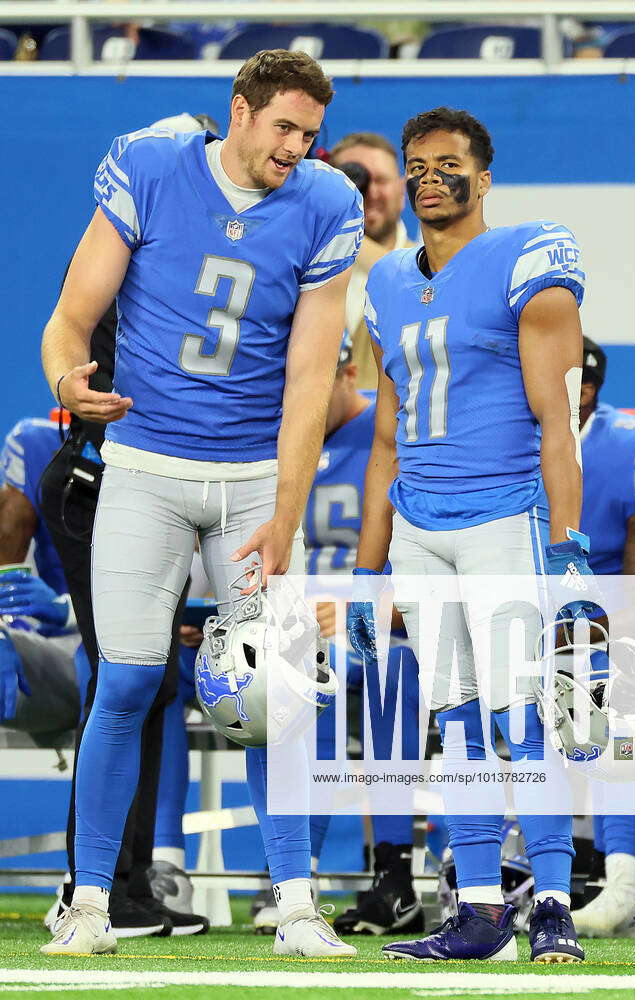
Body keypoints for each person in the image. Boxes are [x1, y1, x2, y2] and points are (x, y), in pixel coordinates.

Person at [39, 49, 363, 957]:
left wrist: (288, 511)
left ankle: (295, 903)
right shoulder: (150, 165)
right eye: (284, 128)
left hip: (254, 476)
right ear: (239, 110)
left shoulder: (327, 203)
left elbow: (309, 378)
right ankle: (92, 901)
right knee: (131, 677)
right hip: (144, 463)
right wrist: (68, 378)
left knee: (267, 692)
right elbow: (69, 316)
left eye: (310, 133)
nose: (297, 149)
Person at [348, 106, 591, 964]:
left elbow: (555, 419)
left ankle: (554, 901)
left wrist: (565, 543)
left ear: (482, 178)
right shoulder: (380, 281)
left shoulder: (527, 252)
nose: (428, 176)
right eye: (416, 163)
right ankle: (480, 911)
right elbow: (384, 434)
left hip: (503, 515)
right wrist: (365, 568)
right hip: (418, 522)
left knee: (520, 715)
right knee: (451, 722)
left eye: (448, 163)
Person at [39, 113, 220, 942]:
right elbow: (71, 334)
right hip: (101, 482)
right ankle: (95, 884)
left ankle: (122, 878)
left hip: (146, 487)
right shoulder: (137, 256)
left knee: (151, 683)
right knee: (126, 677)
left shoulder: (180, 251)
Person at [252, 336, 424, 936]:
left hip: (378, 629)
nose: (294, 399)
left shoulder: (394, 434)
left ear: (349, 372)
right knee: (297, 673)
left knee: (387, 673)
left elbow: (423, 552)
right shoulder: (274, 436)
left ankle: (394, 874)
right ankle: (295, 875)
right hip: (289, 634)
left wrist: (360, 609)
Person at [571, 337, 635, 938]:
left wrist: (588, 634)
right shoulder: (501, 442)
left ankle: (625, 885)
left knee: (629, 678)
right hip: (548, 623)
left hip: (614, 630)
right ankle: (485, 875)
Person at [0, 415, 80, 740]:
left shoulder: (178, 450)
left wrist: (69, 612)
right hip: (60, 654)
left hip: (147, 654)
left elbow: (188, 601)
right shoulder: (41, 445)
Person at [329, 133, 414, 390]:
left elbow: (414, 281)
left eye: (380, 179)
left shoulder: (431, 267)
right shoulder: (300, 268)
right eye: (354, 178)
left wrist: (337, 231)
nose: (369, 191)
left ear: (403, 188)